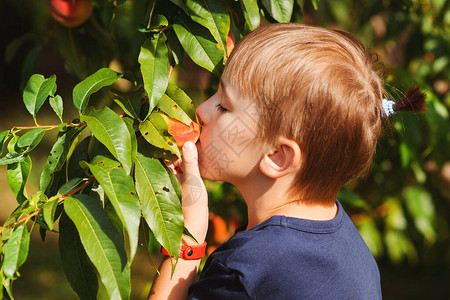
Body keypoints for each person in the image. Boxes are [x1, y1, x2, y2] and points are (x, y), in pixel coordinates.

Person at [148, 23, 426, 300]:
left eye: (224, 106)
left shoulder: (245, 273)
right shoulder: (355, 255)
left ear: (278, 156)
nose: (201, 109)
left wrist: (189, 238)